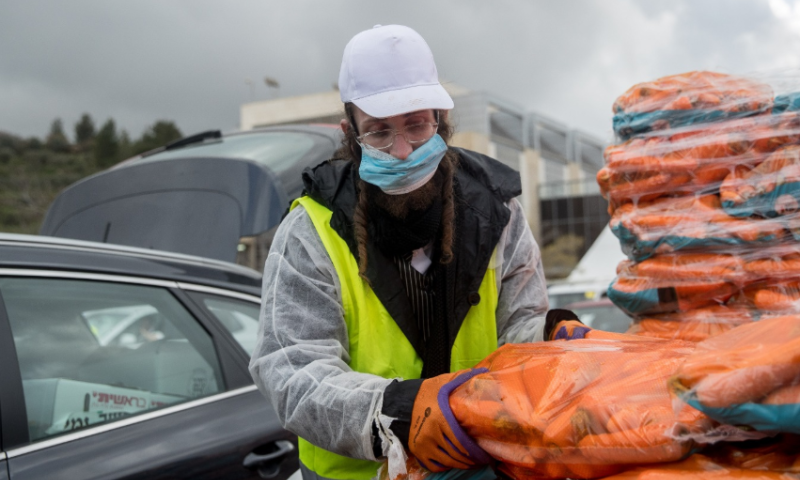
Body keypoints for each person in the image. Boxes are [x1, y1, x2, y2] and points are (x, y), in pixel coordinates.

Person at [249, 24, 586, 480]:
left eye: (416, 126)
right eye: (380, 133)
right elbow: (293, 371)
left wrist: (548, 336)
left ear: (442, 122)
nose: (404, 150)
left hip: (480, 465)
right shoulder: (311, 231)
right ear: (351, 133)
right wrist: (400, 414)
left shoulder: (497, 212)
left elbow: (515, 327)